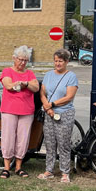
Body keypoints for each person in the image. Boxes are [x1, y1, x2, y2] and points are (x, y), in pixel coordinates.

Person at [38, 49, 79, 183]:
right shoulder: (49, 75)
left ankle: (65, 172)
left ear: (66, 62)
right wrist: (47, 107)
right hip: (49, 114)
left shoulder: (71, 76)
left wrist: (52, 104)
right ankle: (49, 170)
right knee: (50, 143)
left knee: (63, 144)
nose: (58, 63)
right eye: (56, 61)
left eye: (60, 61)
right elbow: (42, 93)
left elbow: (69, 96)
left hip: (64, 113)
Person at [0, 45, 39, 178]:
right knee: (8, 137)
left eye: (25, 60)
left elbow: (36, 87)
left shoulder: (30, 74)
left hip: (27, 110)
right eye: (20, 59)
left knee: (23, 138)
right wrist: (19, 84)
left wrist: (26, 84)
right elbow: (8, 85)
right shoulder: (7, 71)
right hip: (9, 109)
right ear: (14, 58)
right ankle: (6, 167)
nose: (22, 63)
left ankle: (18, 167)